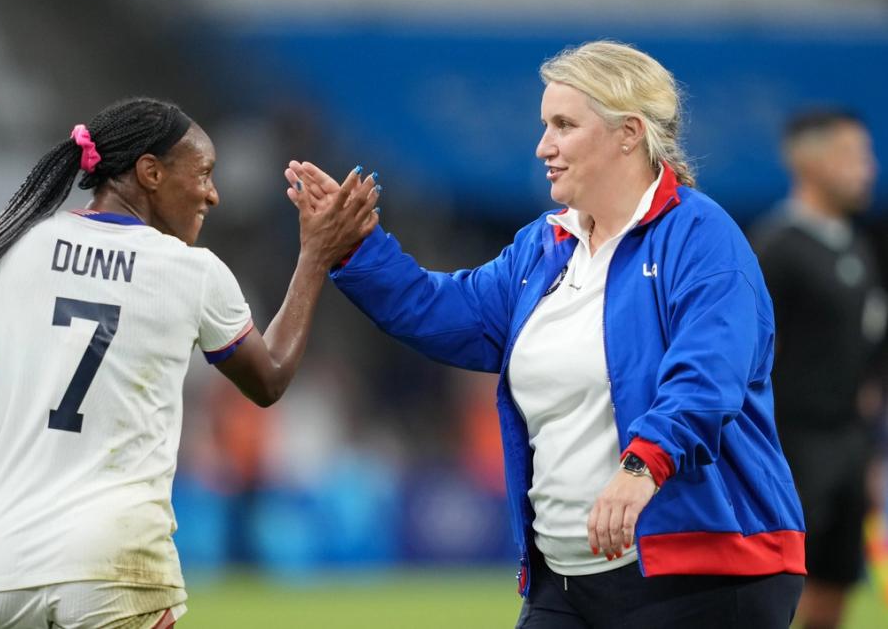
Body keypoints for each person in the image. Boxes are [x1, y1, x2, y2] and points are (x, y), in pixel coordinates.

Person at [286, 41, 806, 628]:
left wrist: (642, 468)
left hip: (703, 572)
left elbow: (709, 372)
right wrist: (357, 246)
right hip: (565, 580)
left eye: (563, 125)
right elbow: (440, 311)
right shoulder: (543, 245)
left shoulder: (701, 236)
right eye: (544, 125)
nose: (543, 146)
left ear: (628, 133)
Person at [0, 97, 379, 629]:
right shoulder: (191, 272)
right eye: (203, 173)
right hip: (111, 560)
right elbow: (269, 377)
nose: (212, 192)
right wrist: (315, 257)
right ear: (150, 172)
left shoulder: (15, 247)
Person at [750, 109, 884, 629]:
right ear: (807, 161)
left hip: (848, 447)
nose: (868, 169)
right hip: (791, 449)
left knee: (834, 588)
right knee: (777, 591)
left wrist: (865, 452)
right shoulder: (775, 247)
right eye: (853, 156)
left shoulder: (857, 245)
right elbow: (748, 356)